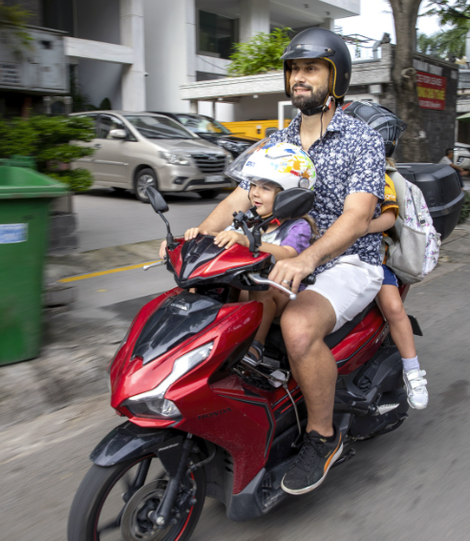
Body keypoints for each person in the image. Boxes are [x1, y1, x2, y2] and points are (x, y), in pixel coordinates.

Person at [171, 27, 386, 496]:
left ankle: (322, 438)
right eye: (294, 70)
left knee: (296, 329)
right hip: (284, 251)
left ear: (336, 78)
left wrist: (309, 257)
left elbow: (357, 216)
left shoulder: (362, 140)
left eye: (311, 69)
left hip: (347, 260)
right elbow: (238, 196)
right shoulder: (280, 138)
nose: (300, 78)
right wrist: (198, 241)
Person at [183, 142, 319, 366]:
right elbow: (223, 238)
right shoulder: (249, 219)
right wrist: (197, 237)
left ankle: (255, 347)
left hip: (281, 292)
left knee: (261, 290)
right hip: (246, 286)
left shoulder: (297, 226)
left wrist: (248, 241)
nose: (254, 193)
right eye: (254, 185)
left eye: (265, 188)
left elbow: (287, 254)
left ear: (290, 195)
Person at [342, 100, 428, 410]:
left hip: (370, 255)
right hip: (328, 254)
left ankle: (413, 371)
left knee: (392, 307)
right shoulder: (334, 167)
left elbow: (389, 219)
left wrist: (356, 227)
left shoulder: (383, 176)